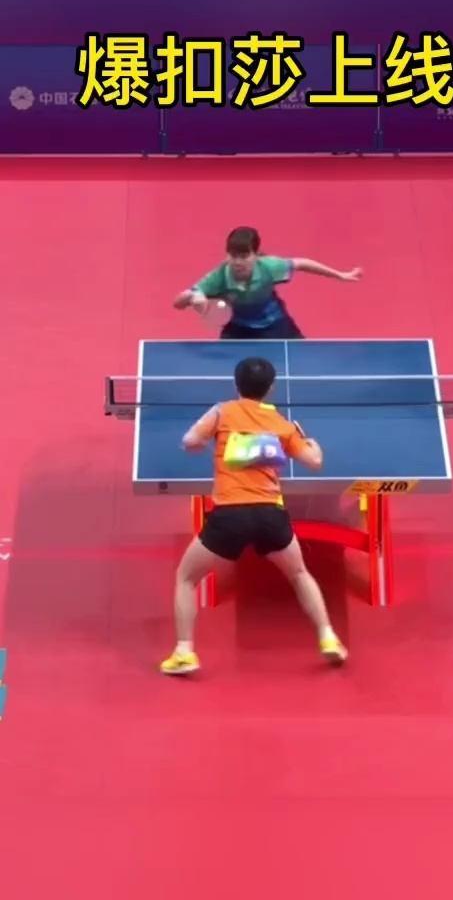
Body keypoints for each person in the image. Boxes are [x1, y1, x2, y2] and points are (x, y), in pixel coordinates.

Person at [160, 356, 348, 675]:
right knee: (299, 573)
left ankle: (184, 652)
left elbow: (190, 442)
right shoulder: (282, 425)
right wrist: (312, 443)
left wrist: (208, 438)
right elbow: (314, 462)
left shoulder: (222, 411)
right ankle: (328, 636)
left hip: (230, 516)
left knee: (186, 578)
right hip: (270, 514)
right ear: (270, 388)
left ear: (236, 384)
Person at [173, 226, 363, 340]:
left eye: (244, 256)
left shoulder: (269, 267)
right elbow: (177, 304)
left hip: (274, 323)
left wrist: (340, 275)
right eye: (233, 255)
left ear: (256, 255)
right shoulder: (219, 276)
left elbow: (302, 263)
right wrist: (191, 297)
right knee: (228, 368)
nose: (237, 262)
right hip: (239, 328)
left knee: (302, 359)